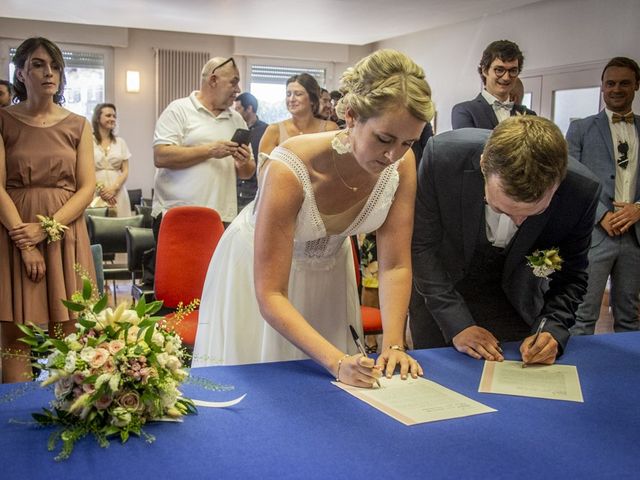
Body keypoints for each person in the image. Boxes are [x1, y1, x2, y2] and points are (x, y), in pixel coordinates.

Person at [193, 49, 434, 388]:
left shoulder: (401, 164)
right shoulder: (290, 167)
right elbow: (271, 293)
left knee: (331, 393)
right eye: (384, 139)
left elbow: (394, 264)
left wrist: (394, 343)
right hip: (262, 275)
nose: (394, 154)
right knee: (271, 387)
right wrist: (337, 361)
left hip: (330, 275)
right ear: (350, 116)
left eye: (408, 142)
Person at [410, 116, 601, 365]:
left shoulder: (580, 192)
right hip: (439, 297)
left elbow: (571, 274)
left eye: (534, 213)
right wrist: (457, 323)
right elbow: (422, 247)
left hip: (516, 300)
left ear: (558, 184)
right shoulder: (442, 158)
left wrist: (552, 327)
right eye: (502, 209)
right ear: (483, 166)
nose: (518, 223)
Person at [0, 37, 95, 383]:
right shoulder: (3, 120)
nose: (48, 72)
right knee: (14, 336)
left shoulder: (78, 124)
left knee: (69, 330)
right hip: (14, 230)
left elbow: (87, 188)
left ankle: (73, 418)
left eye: (55, 66)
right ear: (21, 73)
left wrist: (47, 228)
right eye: (38, 64)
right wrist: (25, 242)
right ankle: (15, 425)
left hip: (65, 232)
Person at [568, 57, 640, 335]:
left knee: (630, 317)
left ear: (636, 86)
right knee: (582, 316)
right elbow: (570, 178)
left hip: (634, 238)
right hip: (596, 236)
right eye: (610, 83)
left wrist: (637, 209)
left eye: (624, 83)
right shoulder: (581, 129)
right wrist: (601, 215)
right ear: (602, 87)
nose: (616, 89)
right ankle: (575, 375)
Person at [152, 56, 254, 230]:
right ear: (213, 80)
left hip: (221, 217)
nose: (237, 90)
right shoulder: (178, 110)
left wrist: (243, 162)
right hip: (177, 214)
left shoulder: (237, 120)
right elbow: (161, 156)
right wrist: (210, 150)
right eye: (233, 82)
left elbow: (247, 172)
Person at [451, 40, 536, 130]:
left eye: (513, 71)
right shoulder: (465, 111)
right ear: (484, 70)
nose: (506, 77)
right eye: (499, 70)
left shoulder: (529, 116)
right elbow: (468, 144)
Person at [259, 73, 339, 154]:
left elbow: (338, 164)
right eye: (288, 94)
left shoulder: (330, 129)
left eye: (298, 94)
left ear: (312, 99)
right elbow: (263, 165)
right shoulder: (274, 131)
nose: (291, 99)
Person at [90, 103, 132, 217]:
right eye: (108, 115)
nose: (112, 119)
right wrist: (101, 190)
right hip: (95, 192)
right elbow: (84, 169)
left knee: (119, 226)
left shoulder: (120, 142)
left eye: (114, 116)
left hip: (118, 193)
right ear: (98, 118)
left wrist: (114, 189)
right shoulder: (88, 141)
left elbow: (126, 170)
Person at [234, 92, 268, 212]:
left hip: (255, 191)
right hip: (235, 191)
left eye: (238, 108)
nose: (235, 112)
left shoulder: (266, 131)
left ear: (249, 108)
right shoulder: (236, 129)